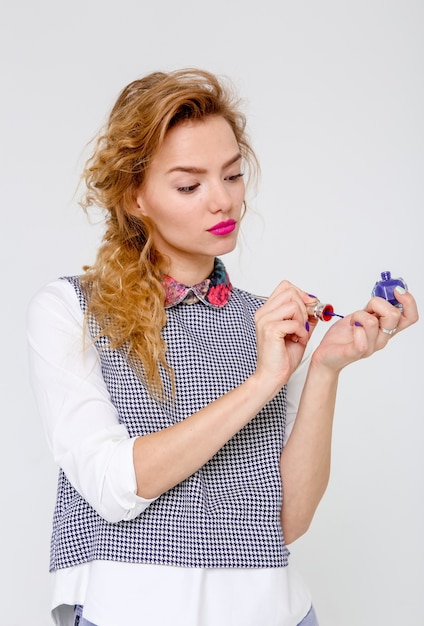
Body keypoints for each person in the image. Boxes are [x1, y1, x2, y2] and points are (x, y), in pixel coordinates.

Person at [27, 68, 418, 626]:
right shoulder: (70, 310)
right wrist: (262, 381)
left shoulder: (269, 326)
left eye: (232, 176)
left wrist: (326, 366)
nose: (223, 201)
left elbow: (285, 522)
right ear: (134, 196)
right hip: (127, 610)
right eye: (190, 185)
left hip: (275, 610)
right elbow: (113, 485)